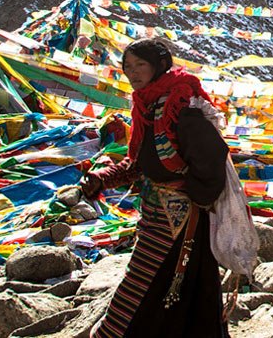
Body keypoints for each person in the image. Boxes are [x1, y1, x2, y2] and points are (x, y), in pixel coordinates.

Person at [81, 38, 229, 338]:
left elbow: (212, 157)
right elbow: (140, 164)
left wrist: (195, 198)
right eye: (127, 67)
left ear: (160, 65)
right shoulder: (148, 105)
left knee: (141, 285)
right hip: (156, 212)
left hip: (179, 218)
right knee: (169, 288)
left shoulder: (180, 104)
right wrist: (102, 179)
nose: (132, 73)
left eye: (140, 65)